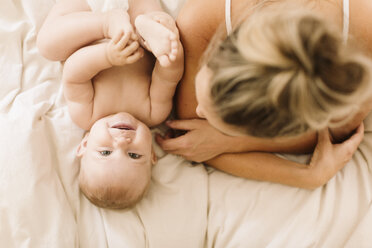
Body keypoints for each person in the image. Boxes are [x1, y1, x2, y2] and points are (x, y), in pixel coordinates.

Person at [156, 0, 372, 188]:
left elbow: (329, 136)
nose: (198, 111)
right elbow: (192, 138)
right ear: (217, 47)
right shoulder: (201, 16)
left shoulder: (358, 65)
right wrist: (305, 176)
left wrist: (233, 142)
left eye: (233, 130)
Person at [37, 0, 184, 209]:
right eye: (134, 155)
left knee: (48, 45)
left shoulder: (86, 115)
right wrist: (169, 59)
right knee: (160, 27)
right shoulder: (154, 112)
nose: (122, 142)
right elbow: (168, 79)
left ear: (84, 145)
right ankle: (153, 28)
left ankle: (105, 21)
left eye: (105, 152)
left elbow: (74, 74)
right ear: (151, 153)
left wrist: (107, 55)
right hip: (138, 37)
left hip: (90, 35)